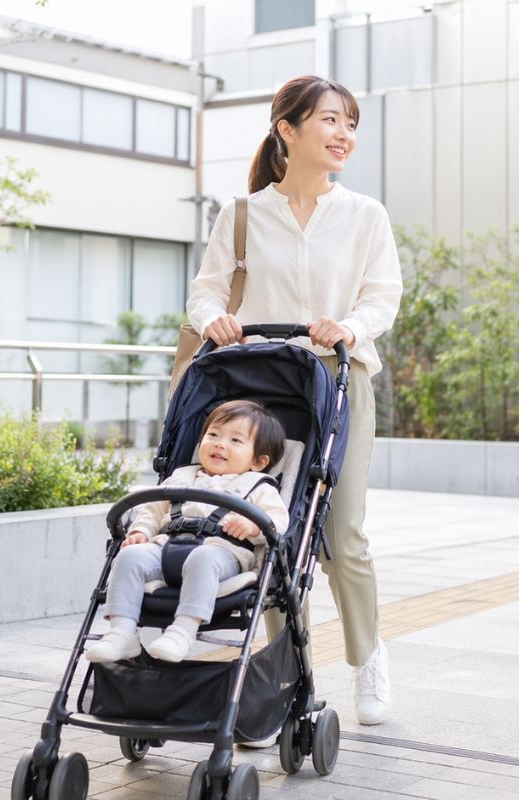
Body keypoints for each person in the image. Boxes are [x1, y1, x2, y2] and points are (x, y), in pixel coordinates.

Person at [186, 75, 402, 725]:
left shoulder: (366, 215)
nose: (344, 135)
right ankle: (283, 674)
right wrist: (212, 322)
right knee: (274, 526)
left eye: (351, 124)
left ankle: (369, 659)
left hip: (339, 383)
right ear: (288, 128)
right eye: (331, 121)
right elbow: (204, 293)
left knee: (342, 534)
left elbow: (381, 296)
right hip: (263, 388)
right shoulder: (243, 215)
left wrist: (351, 328)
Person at [86, 400, 289, 665]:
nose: (219, 444)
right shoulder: (181, 477)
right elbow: (152, 511)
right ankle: (122, 632)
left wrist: (254, 525)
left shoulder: (260, 488)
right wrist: (140, 532)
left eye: (235, 440)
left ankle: (183, 631)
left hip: (221, 554)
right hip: (166, 547)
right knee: (129, 557)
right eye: (213, 435)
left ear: (259, 462)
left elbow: (279, 520)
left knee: (202, 558)